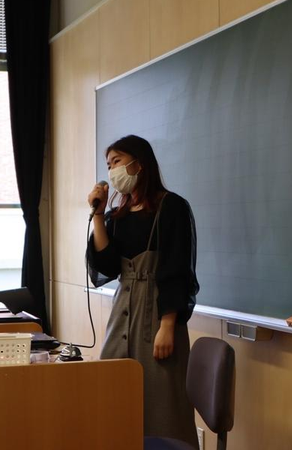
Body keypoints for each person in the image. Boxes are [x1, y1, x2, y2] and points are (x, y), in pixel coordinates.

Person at [86, 135, 199, 448]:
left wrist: (167, 325)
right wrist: (99, 214)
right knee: (114, 394)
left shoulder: (171, 206)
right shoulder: (118, 215)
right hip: (123, 313)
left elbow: (177, 268)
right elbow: (107, 265)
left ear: (139, 163)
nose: (112, 171)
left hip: (158, 316)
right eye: (108, 165)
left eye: (117, 161)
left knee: (163, 404)